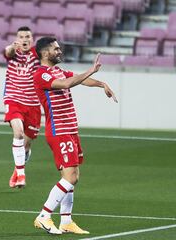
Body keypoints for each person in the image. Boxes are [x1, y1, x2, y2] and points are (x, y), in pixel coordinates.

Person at [32, 37, 118, 235]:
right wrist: (92, 70)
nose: (60, 51)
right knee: (70, 177)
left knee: (73, 176)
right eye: (56, 48)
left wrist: (100, 83)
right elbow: (66, 84)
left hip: (70, 130)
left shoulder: (57, 70)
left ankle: (66, 221)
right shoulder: (41, 75)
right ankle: (43, 216)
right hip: (59, 131)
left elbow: (78, 78)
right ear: (45, 53)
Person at [3, 26, 41, 188]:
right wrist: (12, 47)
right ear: (17, 38)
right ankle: (21, 174)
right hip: (13, 100)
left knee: (26, 144)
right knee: (17, 133)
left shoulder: (38, 54)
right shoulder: (12, 52)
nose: (24, 39)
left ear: (32, 40)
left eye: (27, 36)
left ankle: (17, 169)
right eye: (21, 36)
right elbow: (8, 51)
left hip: (33, 105)